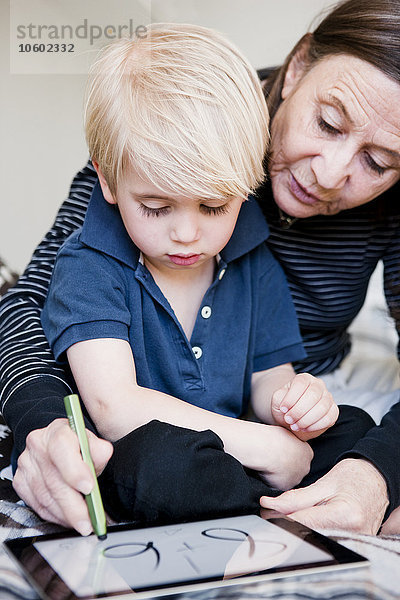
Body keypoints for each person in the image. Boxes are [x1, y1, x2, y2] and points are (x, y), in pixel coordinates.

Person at [1, 0, 399, 534]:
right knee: (161, 465)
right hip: (168, 431)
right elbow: (33, 307)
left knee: (355, 430)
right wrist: (41, 420)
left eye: (378, 162)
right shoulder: (165, 134)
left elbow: (274, 380)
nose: (330, 174)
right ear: (298, 66)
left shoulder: (251, 260)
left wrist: (321, 427)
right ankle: (273, 504)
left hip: (254, 421)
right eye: (327, 123)